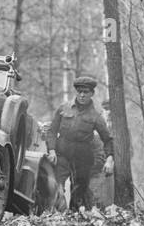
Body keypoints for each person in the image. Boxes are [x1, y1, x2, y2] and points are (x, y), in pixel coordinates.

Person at [46, 75, 114, 210]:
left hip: (82, 157)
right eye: (79, 92)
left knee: (78, 192)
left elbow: (107, 140)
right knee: (56, 187)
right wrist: (52, 150)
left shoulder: (96, 115)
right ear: (76, 92)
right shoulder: (63, 108)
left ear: (92, 94)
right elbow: (52, 131)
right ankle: (57, 215)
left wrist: (110, 158)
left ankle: (73, 219)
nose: (82, 95)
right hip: (62, 154)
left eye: (86, 92)